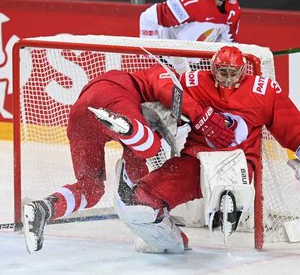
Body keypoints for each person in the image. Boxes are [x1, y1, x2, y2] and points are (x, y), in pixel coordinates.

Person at [112, 46, 300, 254]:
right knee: (144, 197)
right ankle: (166, 236)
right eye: (222, 72)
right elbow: (164, 89)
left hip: (240, 160)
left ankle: (227, 210)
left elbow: (287, 121)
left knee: (230, 189)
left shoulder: (263, 90)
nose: (227, 78)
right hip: (196, 158)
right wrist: (178, 118)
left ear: (243, 71)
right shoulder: (193, 82)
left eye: (233, 73)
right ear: (213, 69)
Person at [22, 63, 235, 253]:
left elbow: (137, 197)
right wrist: (201, 117)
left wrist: (158, 233)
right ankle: (126, 126)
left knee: (92, 189)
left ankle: (43, 209)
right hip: (110, 98)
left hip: (82, 117)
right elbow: (166, 89)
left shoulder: (143, 131)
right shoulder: (163, 73)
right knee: (150, 147)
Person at [140, 0, 242, 43]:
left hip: (195, 64)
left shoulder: (234, 8)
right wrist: (150, 57)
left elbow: (226, 43)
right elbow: (148, 17)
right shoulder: (193, 1)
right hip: (166, 60)